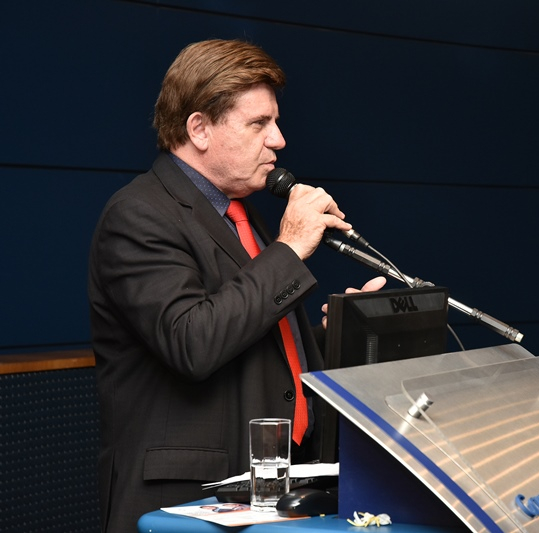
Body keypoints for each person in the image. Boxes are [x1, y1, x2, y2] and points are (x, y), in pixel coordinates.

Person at [88, 39, 383, 532]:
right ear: (199, 129)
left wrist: (335, 334)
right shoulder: (138, 214)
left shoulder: (240, 215)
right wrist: (289, 248)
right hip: (185, 501)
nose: (278, 140)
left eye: (275, 122)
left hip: (270, 491)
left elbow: (253, 339)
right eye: (258, 123)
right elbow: (193, 341)